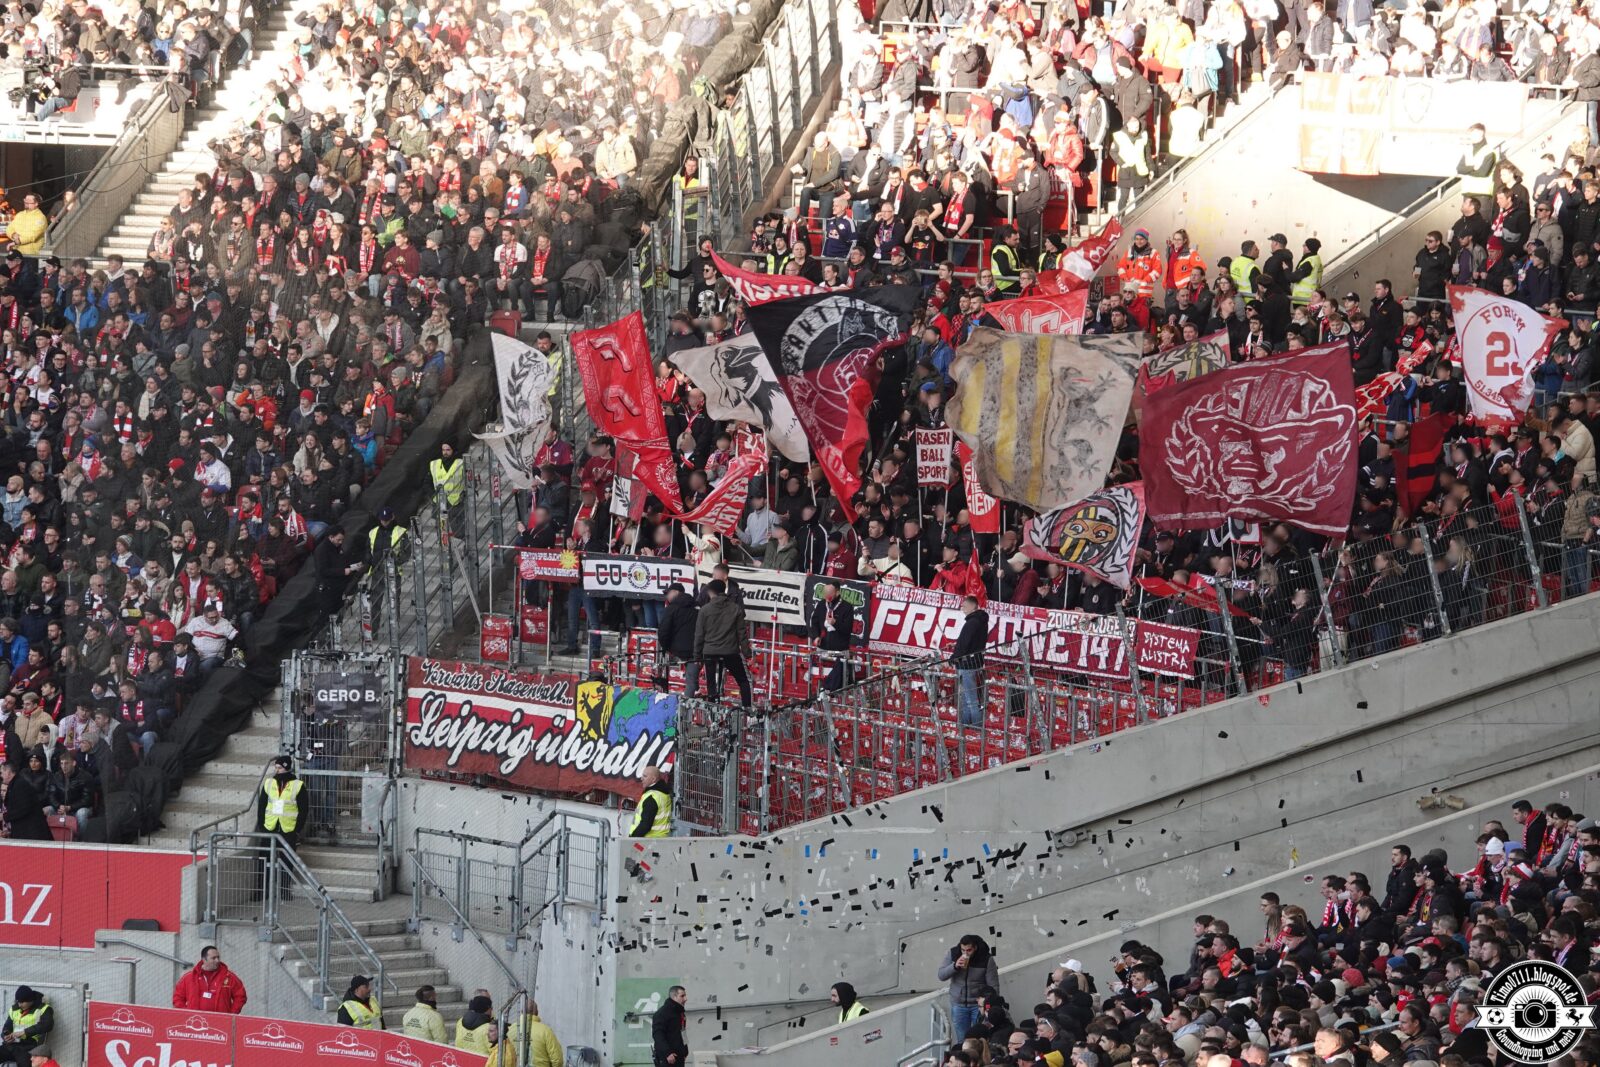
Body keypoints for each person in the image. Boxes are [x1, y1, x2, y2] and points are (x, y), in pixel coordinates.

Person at [693, 579, 750, 708]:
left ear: (710, 592)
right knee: (743, 681)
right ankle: (748, 710)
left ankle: (712, 710)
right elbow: (742, 634)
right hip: (730, 651)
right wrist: (747, 653)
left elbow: (699, 635)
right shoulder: (735, 608)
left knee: (711, 684)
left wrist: (697, 656)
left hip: (710, 651)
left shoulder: (705, 610)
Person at [256, 754, 303, 894]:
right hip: (270, 826)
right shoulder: (269, 783)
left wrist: (297, 829)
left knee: (287, 860)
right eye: (275, 767)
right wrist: (262, 825)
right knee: (264, 859)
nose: (277, 770)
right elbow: (262, 805)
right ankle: (262, 890)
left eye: (279, 767)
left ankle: (284, 890)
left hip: (288, 828)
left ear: (286, 768)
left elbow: (303, 809)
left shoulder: (298, 785)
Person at [937, 934, 999, 1041]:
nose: (965, 953)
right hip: (958, 1004)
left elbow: (993, 986)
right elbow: (941, 975)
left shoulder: (986, 958)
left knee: (979, 1038)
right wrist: (954, 966)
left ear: (975, 948)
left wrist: (989, 1006)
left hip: (978, 1005)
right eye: (963, 950)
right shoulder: (953, 954)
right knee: (962, 1039)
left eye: (969, 950)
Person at [172, 946, 248, 1013]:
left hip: (221, 1021)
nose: (217, 960)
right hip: (196, 1020)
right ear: (204, 960)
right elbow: (178, 997)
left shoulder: (229, 977)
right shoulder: (188, 977)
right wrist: (186, 1014)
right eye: (213, 958)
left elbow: (240, 996)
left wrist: (231, 1014)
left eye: (218, 957)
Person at [809, 580, 854, 691]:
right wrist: (816, 636)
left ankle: (829, 691)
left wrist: (835, 623)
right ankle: (819, 692)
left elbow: (847, 629)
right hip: (823, 648)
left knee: (840, 675)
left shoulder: (847, 607)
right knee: (815, 671)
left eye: (829, 593)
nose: (826, 595)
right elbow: (814, 622)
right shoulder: (821, 604)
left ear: (837, 593)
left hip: (840, 650)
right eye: (825, 592)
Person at [951, 595, 988, 728]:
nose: (963, 609)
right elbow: (972, 642)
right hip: (975, 663)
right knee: (967, 699)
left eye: (965, 606)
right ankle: (965, 727)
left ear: (973, 607)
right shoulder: (981, 621)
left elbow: (964, 644)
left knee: (971, 700)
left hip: (966, 665)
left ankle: (977, 729)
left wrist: (953, 659)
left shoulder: (972, 623)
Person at [499, 1000, 563, 1067]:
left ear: (521, 1012)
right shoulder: (545, 1031)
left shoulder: (510, 1030)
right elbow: (557, 1060)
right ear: (537, 1012)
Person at [0, 987, 52, 1064]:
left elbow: (47, 1025)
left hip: (29, 1046)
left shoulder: (43, 1009)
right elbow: (7, 1027)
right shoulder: (14, 1009)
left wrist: (24, 1032)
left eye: (22, 1002)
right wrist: (5, 1037)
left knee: (24, 1061)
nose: (19, 1005)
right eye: (18, 1002)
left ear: (30, 1000)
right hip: (11, 1044)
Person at [429, 441, 467, 542]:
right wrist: (432, 496)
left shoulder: (461, 463)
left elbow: (469, 480)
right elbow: (427, 482)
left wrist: (464, 494)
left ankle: (462, 547)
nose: (445, 452)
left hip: (456, 502)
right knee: (442, 533)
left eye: (448, 450)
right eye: (443, 450)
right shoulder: (434, 464)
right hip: (439, 502)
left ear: (453, 450)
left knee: (459, 532)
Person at [630, 765, 673, 839]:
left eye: (645, 776)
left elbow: (645, 826)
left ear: (653, 779)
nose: (641, 778)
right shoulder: (663, 793)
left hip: (647, 841)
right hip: (660, 839)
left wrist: (632, 839)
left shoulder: (651, 798)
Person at [651, 985, 689, 1067]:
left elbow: (683, 1031)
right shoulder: (661, 1014)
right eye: (682, 996)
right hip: (667, 1058)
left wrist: (685, 1050)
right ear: (674, 997)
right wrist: (667, 1053)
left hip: (679, 1056)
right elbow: (658, 1035)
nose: (686, 999)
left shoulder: (680, 1013)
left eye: (685, 995)